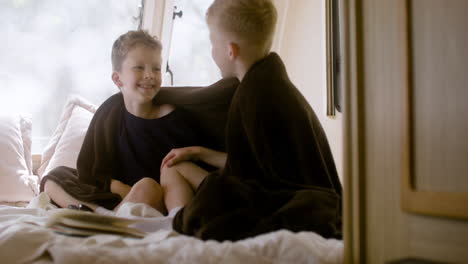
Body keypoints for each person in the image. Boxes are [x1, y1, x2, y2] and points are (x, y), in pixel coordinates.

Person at [167, 0, 343, 241]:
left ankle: (175, 231)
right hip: (303, 196)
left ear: (231, 50)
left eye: (212, 43)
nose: (211, 51)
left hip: (296, 206)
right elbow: (255, 166)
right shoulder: (268, 80)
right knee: (185, 169)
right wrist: (199, 152)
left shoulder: (256, 94)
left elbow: (250, 185)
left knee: (206, 190)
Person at [41, 30, 224, 216]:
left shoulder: (175, 119)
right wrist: (116, 186)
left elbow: (184, 173)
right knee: (55, 177)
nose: (149, 75)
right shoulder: (110, 111)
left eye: (156, 68)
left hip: (158, 196)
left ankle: (103, 220)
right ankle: (95, 214)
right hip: (119, 196)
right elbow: (91, 171)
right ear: (117, 78)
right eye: (139, 68)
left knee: (147, 186)